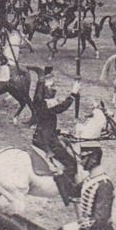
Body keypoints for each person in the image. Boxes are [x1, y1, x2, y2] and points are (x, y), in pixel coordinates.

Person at [32, 68, 81, 206]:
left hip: (46, 133)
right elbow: (59, 108)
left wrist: (58, 131)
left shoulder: (41, 100)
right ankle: (69, 193)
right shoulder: (43, 102)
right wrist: (73, 93)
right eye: (50, 82)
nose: (53, 84)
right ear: (44, 85)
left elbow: (49, 118)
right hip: (47, 139)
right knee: (71, 163)